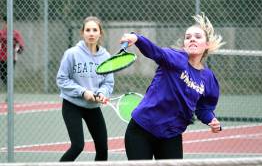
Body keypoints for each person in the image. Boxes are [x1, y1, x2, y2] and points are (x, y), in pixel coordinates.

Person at [120, 13, 224, 160]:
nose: (192, 39)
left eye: (197, 37)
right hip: (142, 129)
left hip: (171, 134)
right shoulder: (175, 58)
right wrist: (137, 38)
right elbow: (157, 53)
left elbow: (204, 108)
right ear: (184, 45)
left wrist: (211, 120)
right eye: (188, 37)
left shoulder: (208, 78)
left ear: (206, 44)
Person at [56, 16, 114, 161]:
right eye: (88, 30)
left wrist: (101, 93)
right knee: (77, 146)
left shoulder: (106, 56)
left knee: (102, 148)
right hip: (72, 105)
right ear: (82, 33)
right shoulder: (72, 54)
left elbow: (108, 83)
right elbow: (62, 79)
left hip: (93, 107)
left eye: (95, 30)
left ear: (100, 33)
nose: (91, 33)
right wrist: (82, 92)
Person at [0, 15, 25, 88]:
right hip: (1, 58)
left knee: (8, 76)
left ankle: (9, 90)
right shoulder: (1, 33)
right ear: (4, 23)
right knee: (3, 75)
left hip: (11, 58)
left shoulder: (15, 33)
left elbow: (21, 44)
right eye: (6, 23)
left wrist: (19, 48)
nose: (7, 25)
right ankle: (9, 89)